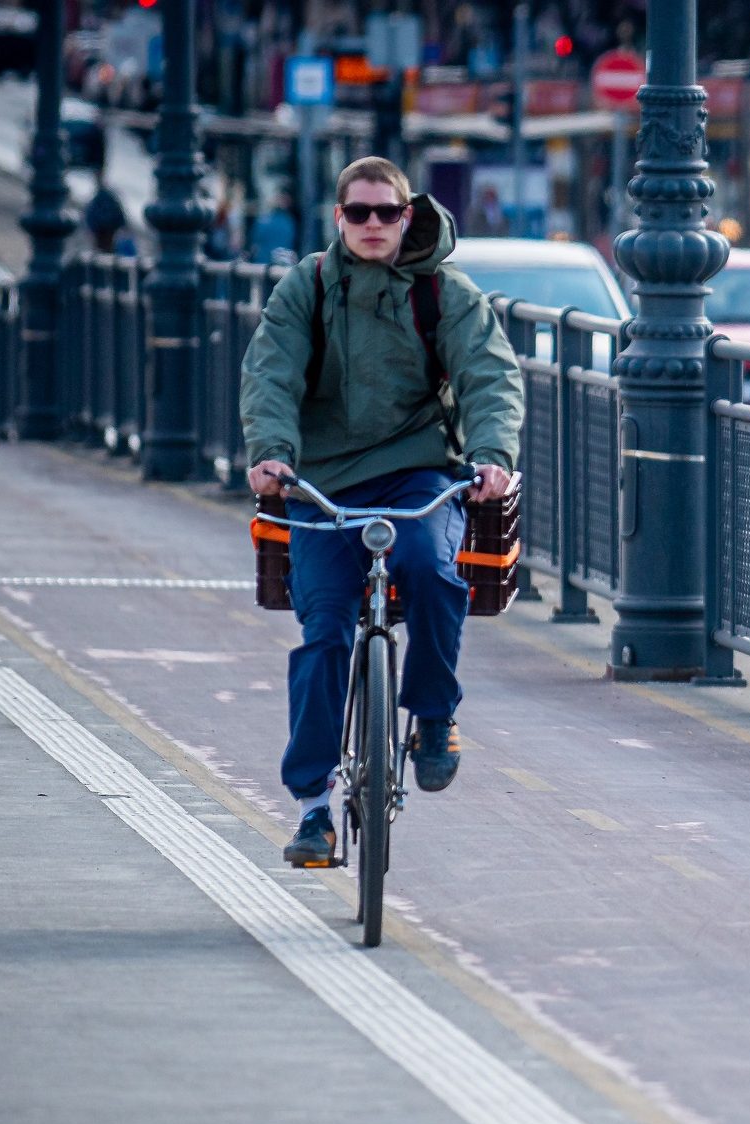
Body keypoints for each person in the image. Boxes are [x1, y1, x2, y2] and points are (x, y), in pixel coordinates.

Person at [239, 157, 523, 868]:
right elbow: (270, 370)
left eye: (386, 213)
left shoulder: (443, 294)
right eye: (358, 213)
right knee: (325, 633)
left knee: (431, 568)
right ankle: (312, 808)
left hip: (416, 474)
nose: (372, 225)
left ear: (408, 217)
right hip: (323, 485)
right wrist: (272, 453)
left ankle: (433, 715)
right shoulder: (306, 287)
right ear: (338, 219)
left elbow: (490, 374)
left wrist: (491, 456)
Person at [250, 191, 298, 263]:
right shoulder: (290, 221)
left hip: (264, 264)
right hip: (279, 264)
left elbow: (254, 247)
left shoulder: (263, 220)